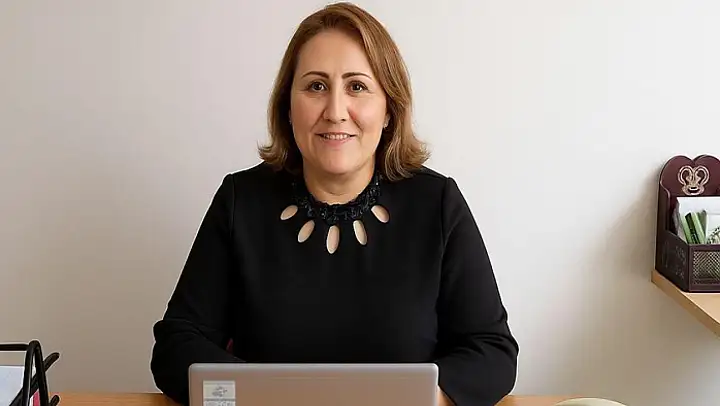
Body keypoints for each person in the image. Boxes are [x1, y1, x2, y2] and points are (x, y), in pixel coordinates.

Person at [150, 2, 519, 405]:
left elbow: (492, 351)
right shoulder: (241, 200)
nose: (335, 111)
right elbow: (177, 345)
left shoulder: (438, 203)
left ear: (389, 109)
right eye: (316, 86)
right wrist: (260, 397)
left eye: (357, 87)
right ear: (288, 107)